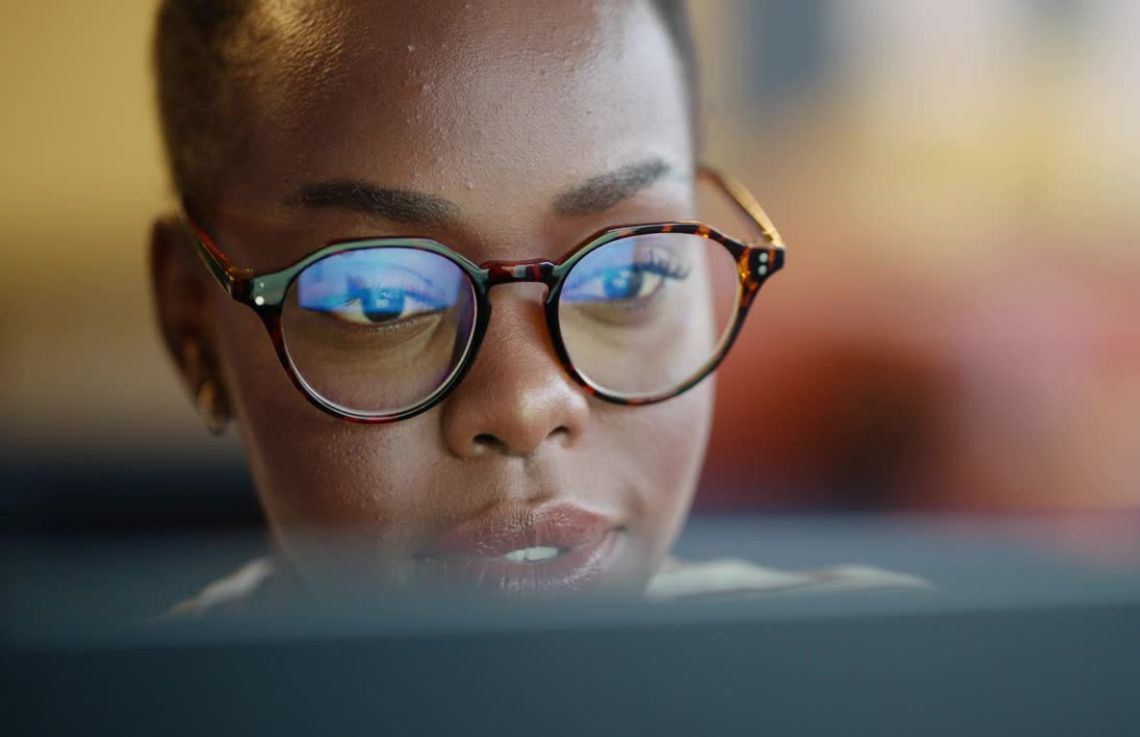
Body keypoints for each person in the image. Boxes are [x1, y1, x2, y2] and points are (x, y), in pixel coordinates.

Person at [151, 0, 922, 613]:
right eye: (380, 300)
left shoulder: (904, 681)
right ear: (193, 328)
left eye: (625, 279)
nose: (527, 405)